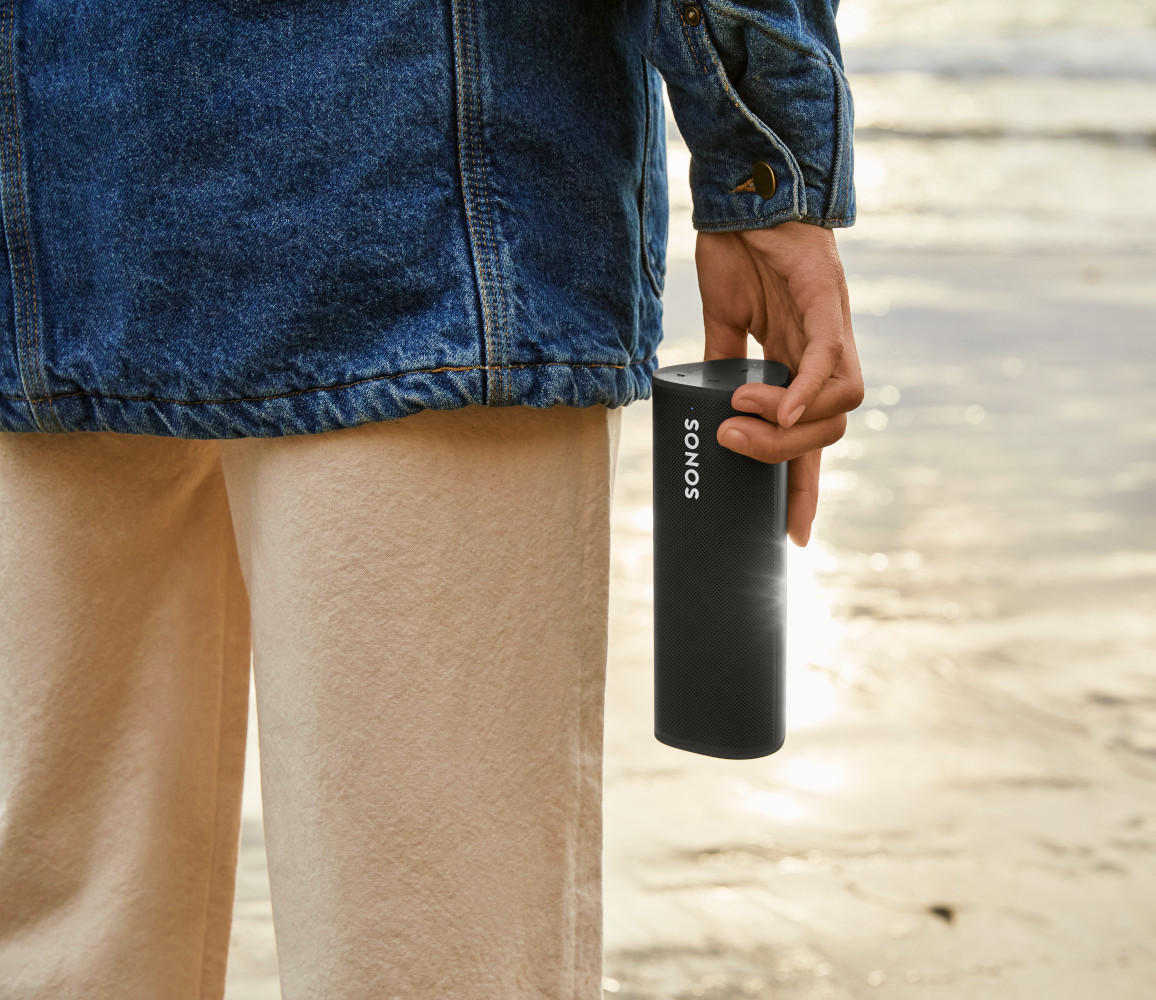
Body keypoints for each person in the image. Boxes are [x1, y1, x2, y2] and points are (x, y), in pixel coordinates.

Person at [0, 2, 863, 998]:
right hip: (432, 203)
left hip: (44, 222)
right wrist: (768, 172)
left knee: (56, 950)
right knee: (428, 948)